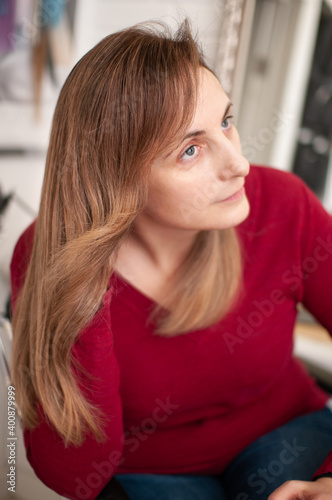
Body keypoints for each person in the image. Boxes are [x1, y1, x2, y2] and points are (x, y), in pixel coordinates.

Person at [10, 19, 332, 500]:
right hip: (152, 474)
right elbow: (75, 478)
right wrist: (82, 296)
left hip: (287, 431)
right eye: (190, 150)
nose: (237, 164)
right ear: (116, 179)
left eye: (226, 121)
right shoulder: (45, 255)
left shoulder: (283, 204)